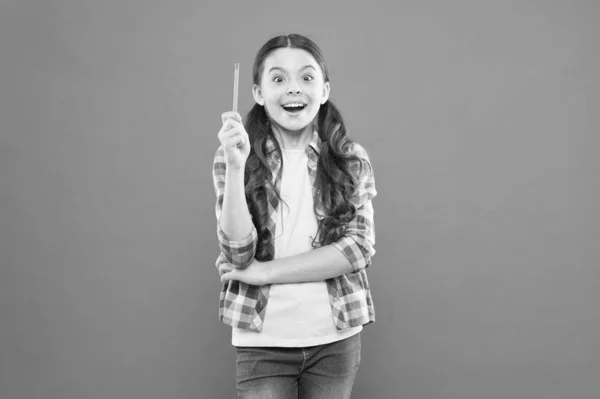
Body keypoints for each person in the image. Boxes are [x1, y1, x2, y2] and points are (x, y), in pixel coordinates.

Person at [212, 33, 377, 399]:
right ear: (257, 92)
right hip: (262, 340)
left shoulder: (350, 158)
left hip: (335, 339)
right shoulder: (234, 157)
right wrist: (236, 167)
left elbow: (357, 249)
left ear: (324, 89)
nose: (293, 89)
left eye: (306, 77)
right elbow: (238, 255)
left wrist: (263, 273)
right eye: (278, 78)